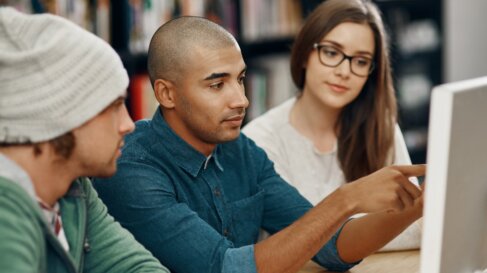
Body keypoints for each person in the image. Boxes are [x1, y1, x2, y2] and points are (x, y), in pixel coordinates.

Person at [93, 15, 425, 273]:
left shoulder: (241, 149)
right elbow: (224, 267)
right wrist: (345, 200)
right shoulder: (130, 166)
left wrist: (422, 206)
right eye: (217, 84)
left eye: (239, 80)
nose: (242, 100)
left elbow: (332, 248)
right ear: (167, 94)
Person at [0, 8, 169, 273]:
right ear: (62, 114)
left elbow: (133, 266)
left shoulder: (72, 186)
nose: (128, 125)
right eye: (114, 105)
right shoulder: (5, 215)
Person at [243, 0, 421, 251]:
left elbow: (416, 226)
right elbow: (291, 247)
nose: (344, 71)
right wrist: (378, 224)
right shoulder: (258, 141)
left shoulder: (380, 127)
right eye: (331, 53)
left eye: (360, 61)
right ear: (305, 54)